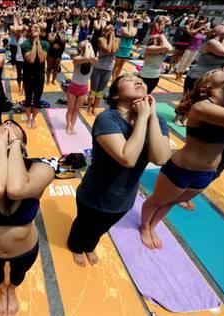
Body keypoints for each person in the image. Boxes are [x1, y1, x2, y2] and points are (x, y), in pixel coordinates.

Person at [140, 69, 224, 249]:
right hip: (182, 169)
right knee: (157, 200)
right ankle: (144, 227)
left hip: (208, 172)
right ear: (206, 86)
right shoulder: (202, 107)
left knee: (172, 201)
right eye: (218, 70)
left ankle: (153, 225)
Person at [67, 74, 171, 266]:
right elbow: (127, 158)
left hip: (124, 197)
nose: (139, 80)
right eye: (129, 80)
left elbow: (161, 158)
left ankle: (89, 246)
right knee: (83, 224)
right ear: (115, 95)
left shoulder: (158, 121)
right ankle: (75, 245)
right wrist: (142, 118)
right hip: (95, 193)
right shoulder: (108, 118)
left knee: (102, 228)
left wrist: (152, 116)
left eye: (140, 79)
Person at [0, 119, 54, 316]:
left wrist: (11, 145)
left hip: (25, 250)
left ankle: (11, 290)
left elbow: (16, 189)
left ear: (23, 144)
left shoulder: (42, 170)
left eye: (13, 126)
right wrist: (3, 144)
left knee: (18, 275)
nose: (8, 125)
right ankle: (2, 290)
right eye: (2, 126)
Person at [22, 24, 49, 129]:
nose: (36, 27)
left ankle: (34, 119)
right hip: (28, 76)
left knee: (37, 99)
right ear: (30, 31)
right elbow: (32, 59)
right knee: (28, 99)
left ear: (41, 30)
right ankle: (29, 118)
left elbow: (42, 59)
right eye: (33, 27)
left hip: (40, 76)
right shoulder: (25, 44)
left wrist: (38, 43)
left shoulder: (45, 43)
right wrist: (34, 43)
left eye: (38, 26)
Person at [88, 25, 118, 115]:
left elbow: (114, 50)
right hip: (98, 68)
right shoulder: (101, 39)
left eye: (112, 30)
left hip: (108, 70)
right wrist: (112, 37)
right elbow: (108, 50)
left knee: (100, 91)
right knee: (93, 90)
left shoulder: (117, 41)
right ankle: (89, 107)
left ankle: (95, 107)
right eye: (109, 30)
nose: (111, 32)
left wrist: (112, 38)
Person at [66, 41, 95, 135]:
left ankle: (72, 126)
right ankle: (67, 126)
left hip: (83, 89)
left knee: (76, 109)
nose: (87, 45)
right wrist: (87, 45)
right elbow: (86, 57)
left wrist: (89, 47)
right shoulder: (77, 58)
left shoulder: (93, 60)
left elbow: (91, 58)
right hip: (73, 88)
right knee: (70, 108)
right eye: (86, 45)